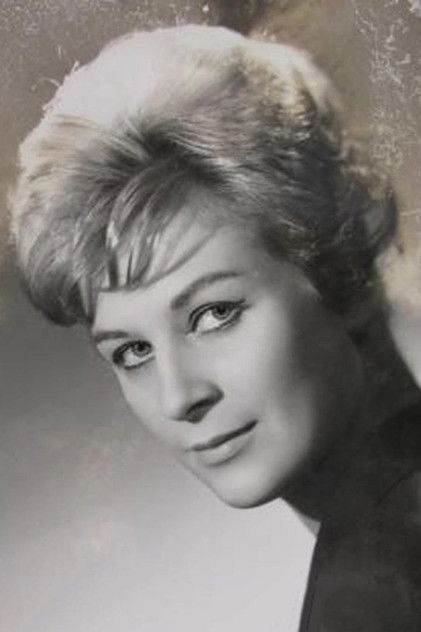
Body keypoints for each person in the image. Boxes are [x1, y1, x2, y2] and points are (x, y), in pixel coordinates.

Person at [10, 25, 421, 631]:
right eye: (132, 351)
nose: (179, 396)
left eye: (214, 314)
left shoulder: (378, 585)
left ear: (343, 271)